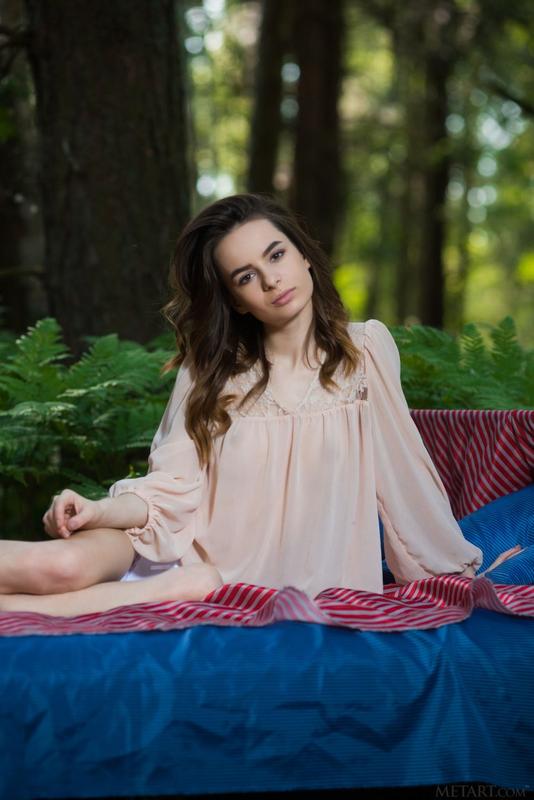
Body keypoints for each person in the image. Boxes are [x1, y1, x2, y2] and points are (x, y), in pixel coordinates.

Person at [0, 192, 523, 617]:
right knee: (62, 566)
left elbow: (403, 474)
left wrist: (453, 573)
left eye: (276, 255)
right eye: (246, 276)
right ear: (234, 299)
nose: (271, 280)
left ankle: (32, 612)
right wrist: (99, 509)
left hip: (206, 586)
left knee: (200, 584)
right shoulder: (210, 371)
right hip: (168, 555)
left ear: (303, 255)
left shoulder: (363, 352)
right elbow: (171, 488)